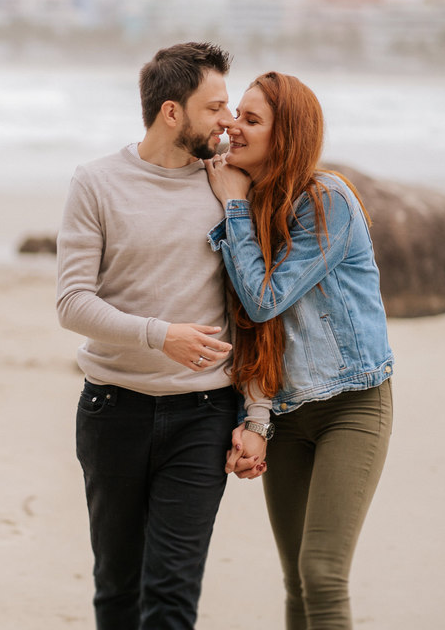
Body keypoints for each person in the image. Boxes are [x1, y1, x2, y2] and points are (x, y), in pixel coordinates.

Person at [56, 41, 270, 630]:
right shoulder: (95, 183)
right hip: (111, 409)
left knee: (172, 596)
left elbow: (255, 311)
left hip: (203, 415)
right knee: (118, 591)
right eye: (216, 107)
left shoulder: (228, 185)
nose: (228, 120)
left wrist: (256, 418)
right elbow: (72, 303)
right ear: (171, 112)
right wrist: (159, 335)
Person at [204, 71, 395, 630]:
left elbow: (265, 301)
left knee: (323, 573)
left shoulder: (325, 201)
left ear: (285, 136)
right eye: (236, 114)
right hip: (286, 414)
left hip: (351, 406)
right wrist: (257, 419)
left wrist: (234, 207)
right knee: (295, 580)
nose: (234, 128)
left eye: (252, 120)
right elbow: (252, 331)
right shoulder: (248, 206)